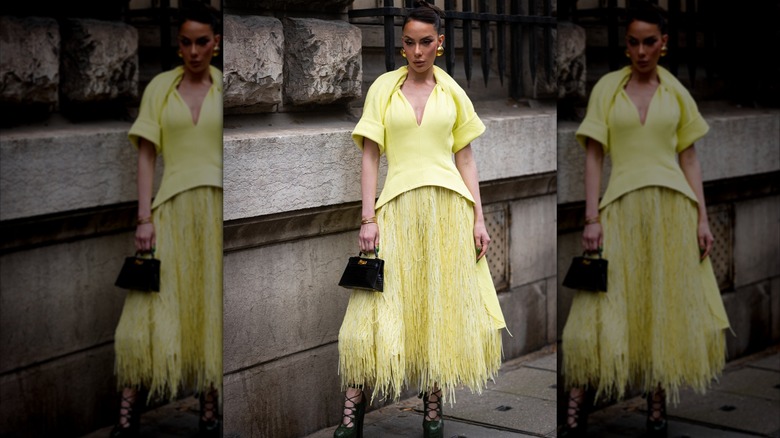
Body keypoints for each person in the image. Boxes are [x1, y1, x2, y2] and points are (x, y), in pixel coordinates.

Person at [334, 2, 507, 438]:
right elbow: (371, 155)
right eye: (409, 42)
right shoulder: (383, 90)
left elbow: (465, 158)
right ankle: (351, 418)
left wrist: (479, 219)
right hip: (396, 209)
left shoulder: (453, 93)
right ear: (402, 45)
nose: (416, 51)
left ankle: (433, 413)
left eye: (425, 42)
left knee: (438, 310)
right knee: (371, 312)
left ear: (440, 43)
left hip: (449, 211)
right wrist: (367, 217)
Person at [560, 3, 731, 437]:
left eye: (649, 41)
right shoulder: (607, 90)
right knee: (600, 307)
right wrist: (591, 218)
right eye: (633, 42)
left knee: (661, 307)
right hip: (620, 210)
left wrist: (703, 219)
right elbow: (594, 156)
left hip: (673, 212)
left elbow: (689, 157)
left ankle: (657, 412)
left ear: (663, 44)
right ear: (627, 44)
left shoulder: (676, 92)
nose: (640, 50)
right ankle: (574, 409)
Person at [110, 3, 223, 437]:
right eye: (185, 42)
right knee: (146, 311)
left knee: (209, 308)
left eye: (201, 41)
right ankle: (126, 417)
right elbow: (146, 157)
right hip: (171, 211)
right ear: (178, 44)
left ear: (216, 43)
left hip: (215, 212)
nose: (192, 51)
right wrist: (144, 218)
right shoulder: (159, 88)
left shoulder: (224, 88)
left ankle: (209, 414)